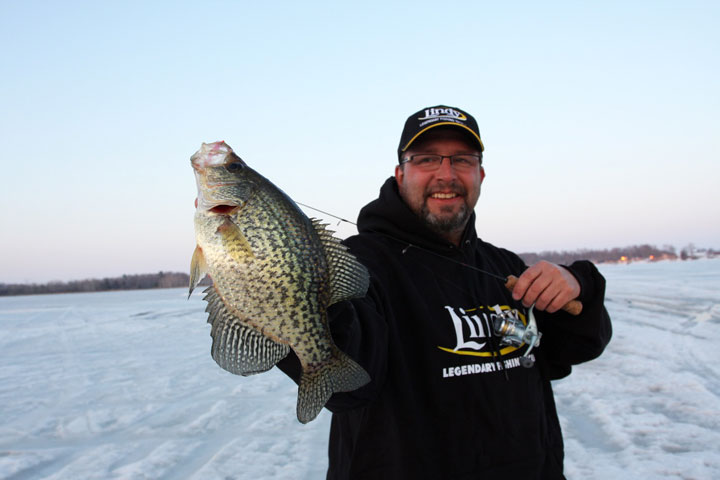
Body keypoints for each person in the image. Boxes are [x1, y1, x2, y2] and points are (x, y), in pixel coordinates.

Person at [278, 105, 612, 479]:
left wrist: (579, 281)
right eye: (427, 159)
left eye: (462, 160)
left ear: (481, 174)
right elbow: (346, 387)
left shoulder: (507, 266)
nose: (446, 174)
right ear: (400, 173)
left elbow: (572, 350)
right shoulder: (356, 264)